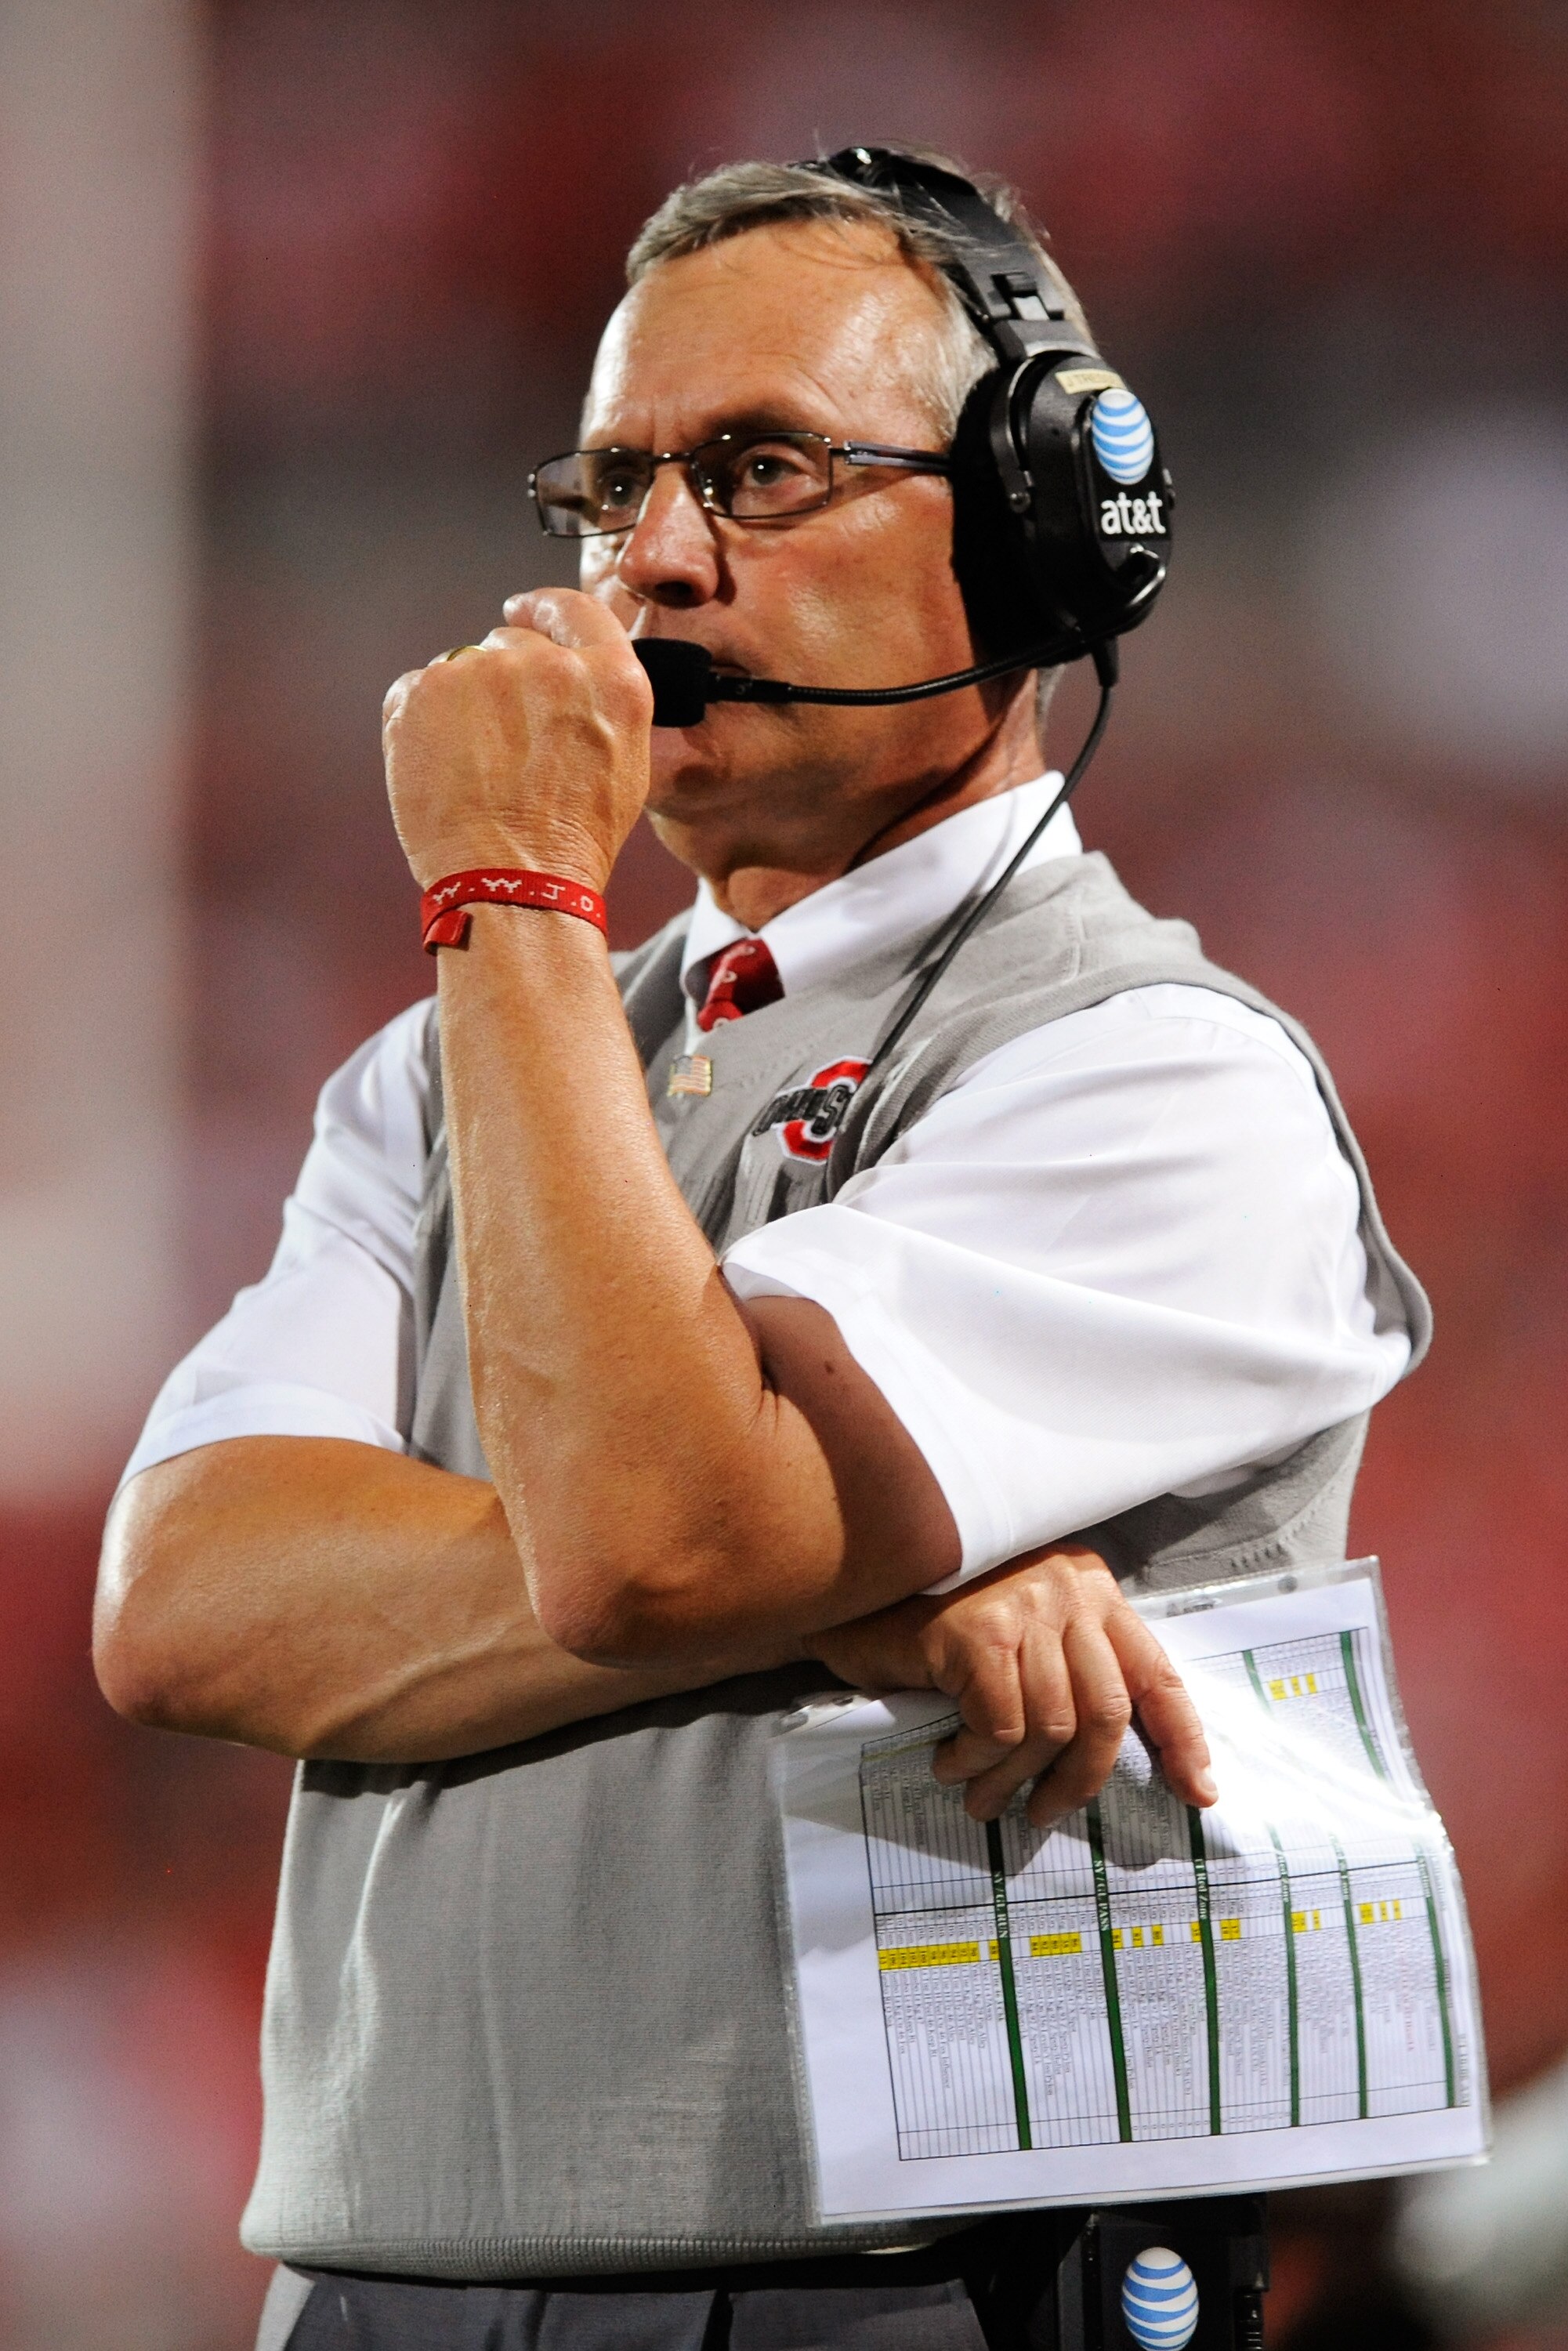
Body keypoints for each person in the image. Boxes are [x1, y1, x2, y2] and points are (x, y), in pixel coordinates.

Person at [95, 150, 1427, 2351]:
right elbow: (184, 1609)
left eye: (763, 469)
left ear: (1029, 528)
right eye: (613, 489)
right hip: (365, 2291)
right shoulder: (448, 1071)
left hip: (894, 2304)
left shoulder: (1165, 1077)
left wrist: (514, 899)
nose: (655, 562)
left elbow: (636, 1543)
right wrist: (861, 1607)